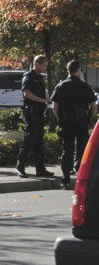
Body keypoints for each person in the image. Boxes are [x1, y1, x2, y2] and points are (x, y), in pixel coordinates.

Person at [51, 60, 97, 189]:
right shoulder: (85, 86)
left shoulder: (61, 85)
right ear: (77, 70)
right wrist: (89, 119)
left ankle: (65, 180)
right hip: (81, 121)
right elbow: (93, 106)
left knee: (67, 150)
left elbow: (55, 106)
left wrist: (60, 119)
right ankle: (82, 179)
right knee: (83, 150)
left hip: (66, 121)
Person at [15, 55, 54, 178]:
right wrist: (42, 100)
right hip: (31, 112)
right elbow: (26, 93)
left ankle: (40, 169)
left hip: (39, 113)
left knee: (39, 142)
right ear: (37, 64)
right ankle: (20, 167)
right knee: (29, 141)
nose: (45, 68)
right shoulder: (29, 76)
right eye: (44, 65)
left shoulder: (39, 77)